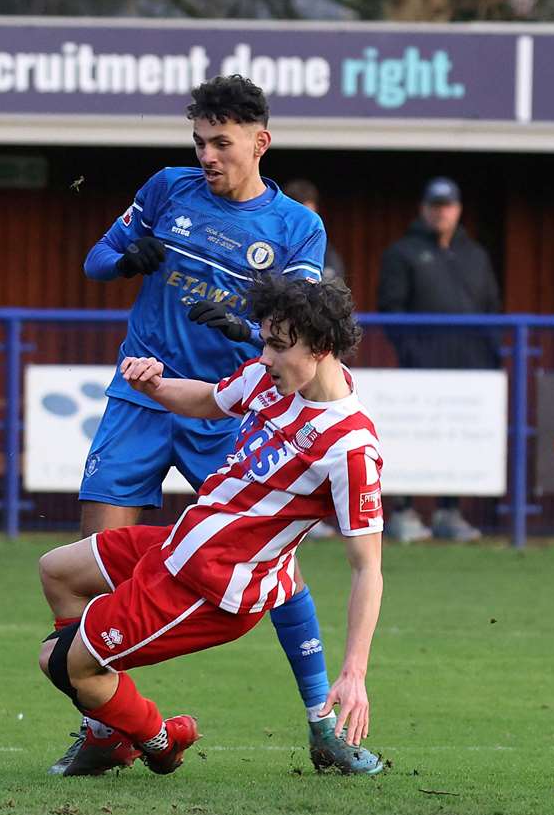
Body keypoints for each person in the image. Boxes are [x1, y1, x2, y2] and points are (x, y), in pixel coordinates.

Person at [63, 74, 381, 776]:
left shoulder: (296, 225)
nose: (207, 155)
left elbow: (292, 327)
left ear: (258, 142)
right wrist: (128, 259)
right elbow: (94, 261)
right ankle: (107, 724)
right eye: (199, 141)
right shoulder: (165, 189)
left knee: (274, 567)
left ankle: (321, 726)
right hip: (143, 395)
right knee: (94, 557)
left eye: (221, 143)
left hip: (226, 405)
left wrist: (236, 325)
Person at [36, 277, 384, 776]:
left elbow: (367, 568)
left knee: (59, 662)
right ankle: (107, 731)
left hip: (210, 586)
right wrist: (153, 385)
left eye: (278, 346)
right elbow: (209, 399)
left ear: (322, 349)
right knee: (57, 571)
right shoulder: (272, 379)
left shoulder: (350, 447)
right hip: (180, 545)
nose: (264, 356)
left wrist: (355, 672)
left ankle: (160, 736)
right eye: (265, 340)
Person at [376, 177, 500, 543]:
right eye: (435, 205)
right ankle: (404, 510)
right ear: (424, 209)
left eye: (447, 205)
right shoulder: (403, 252)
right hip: (420, 371)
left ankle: (451, 511)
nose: (441, 212)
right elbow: (390, 309)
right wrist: (413, 352)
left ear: (458, 209)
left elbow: (492, 307)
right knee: (411, 438)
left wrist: (487, 355)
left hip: (468, 370)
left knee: (458, 439)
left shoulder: (475, 255)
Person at [280, 179, 348, 287]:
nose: (309, 224)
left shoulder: (328, 255)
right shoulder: (271, 247)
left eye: (312, 215)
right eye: (303, 218)